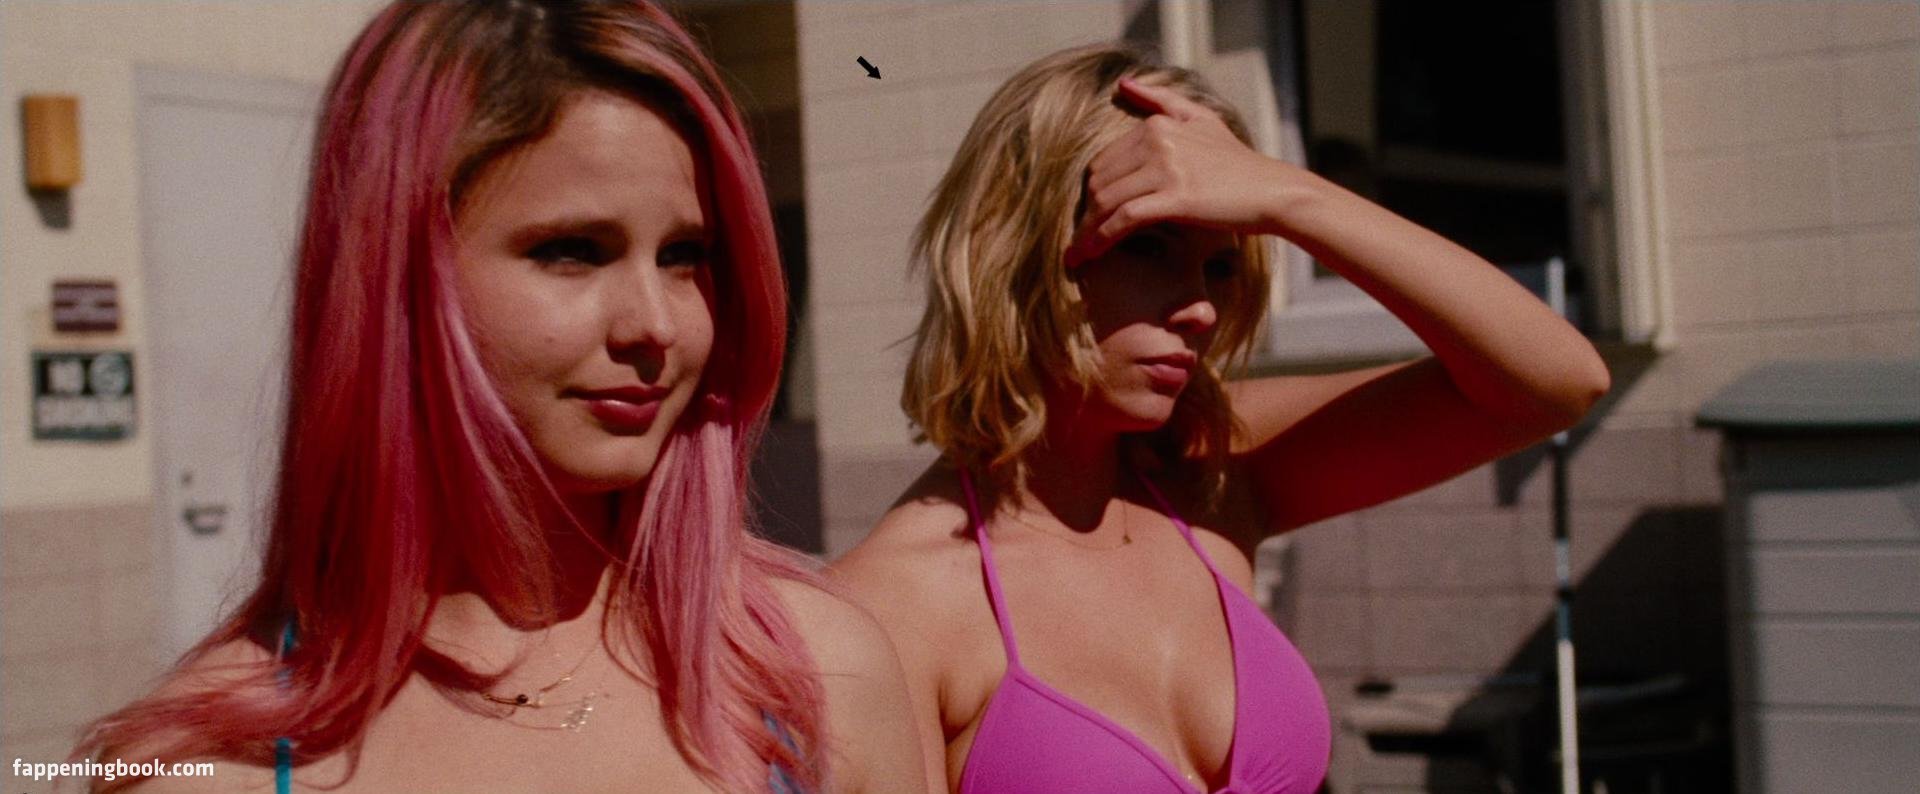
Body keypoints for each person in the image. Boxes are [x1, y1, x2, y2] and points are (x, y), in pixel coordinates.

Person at [75, 2, 923, 791]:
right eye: (573, 250)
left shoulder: (817, 678)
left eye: (685, 256)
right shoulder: (199, 762)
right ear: (400, 275)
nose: (657, 325)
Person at [830, 44, 1610, 794]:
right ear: (1023, 252)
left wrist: (1290, 198)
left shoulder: (1209, 468)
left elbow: (1556, 386)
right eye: (1150, 247)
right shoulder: (893, 605)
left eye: (1221, 264)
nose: (1201, 307)